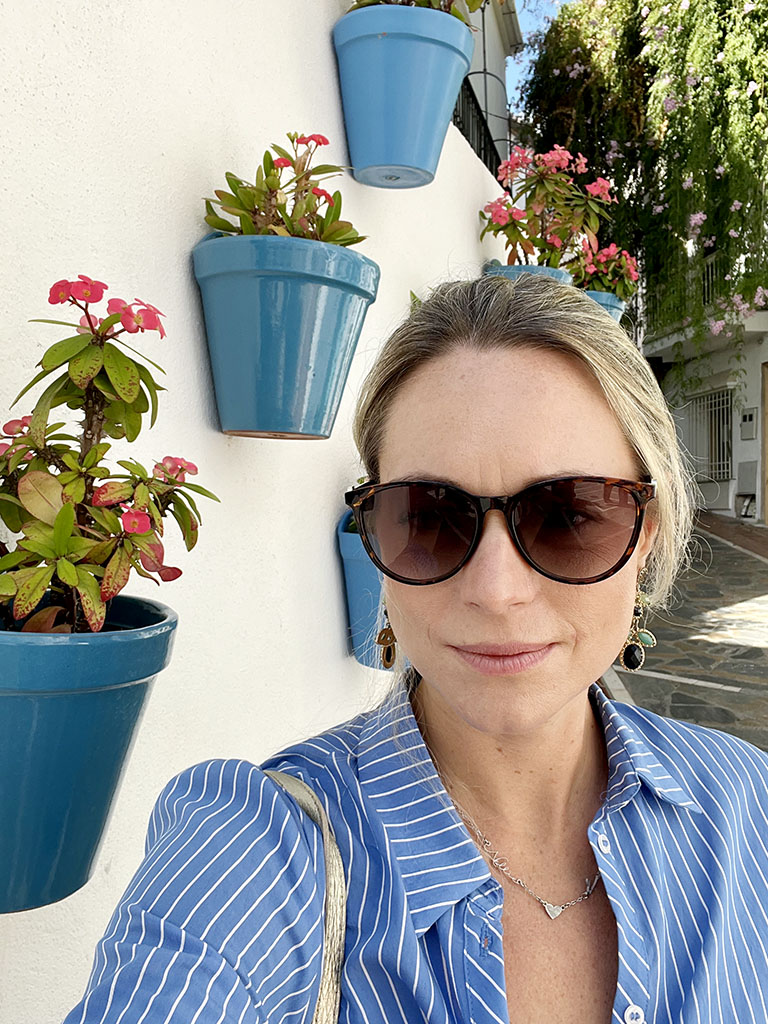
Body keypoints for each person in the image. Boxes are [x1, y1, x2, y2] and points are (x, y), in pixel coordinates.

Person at [64, 274, 768, 1024]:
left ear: (645, 533)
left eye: (566, 515)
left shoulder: (747, 805)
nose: (496, 590)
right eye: (429, 516)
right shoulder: (257, 847)